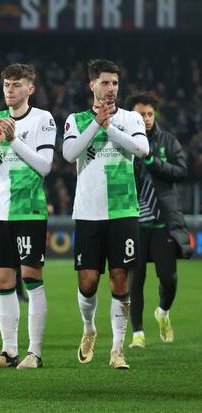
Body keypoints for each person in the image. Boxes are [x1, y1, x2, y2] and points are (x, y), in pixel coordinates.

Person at [62, 59, 149, 370]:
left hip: (124, 210)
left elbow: (142, 150)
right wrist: (97, 123)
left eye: (115, 83)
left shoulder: (131, 118)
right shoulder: (76, 119)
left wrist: (110, 126)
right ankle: (89, 328)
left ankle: (117, 350)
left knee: (119, 279)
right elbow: (70, 154)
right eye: (105, 83)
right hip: (88, 212)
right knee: (88, 283)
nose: (111, 89)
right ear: (92, 85)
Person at [0, 64, 56, 370]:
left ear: (30, 89)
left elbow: (45, 166)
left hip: (30, 211)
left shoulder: (42, 119)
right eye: (7, 84)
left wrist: (13, 141)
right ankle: (8, 352)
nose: (10, 89)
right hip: (1, 212)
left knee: (31, 277)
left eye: (17, 84)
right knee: (2, 280)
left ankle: (34, 352)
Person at [124, 92, 191, 348]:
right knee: (136, 280)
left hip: (163, 223)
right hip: (135, 221)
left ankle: (163, 312)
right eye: (141, 114)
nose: (147, 119)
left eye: (150, 114)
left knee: (168, 278)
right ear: (132, 117)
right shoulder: (122, 142)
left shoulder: (167, 140)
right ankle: (138, 334)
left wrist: (153, 161)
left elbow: (182, 171)